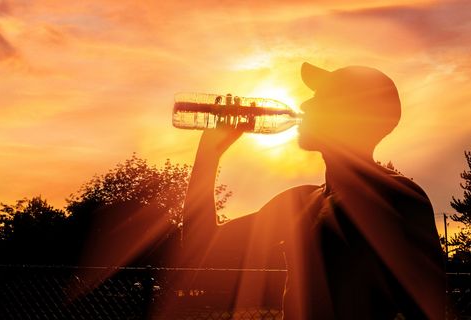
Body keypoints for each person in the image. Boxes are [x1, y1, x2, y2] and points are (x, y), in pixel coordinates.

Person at [179, 62, 446, 319]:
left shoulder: (396, 198)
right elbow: (201, 250)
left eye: (322, 97)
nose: (305, 104)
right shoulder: (299, 202)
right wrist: (209, 152)